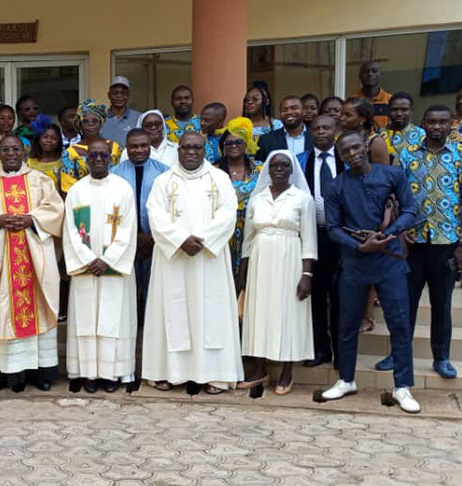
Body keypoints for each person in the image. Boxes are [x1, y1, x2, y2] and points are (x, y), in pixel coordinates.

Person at [372, 105, 462, 379]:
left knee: (442, 304)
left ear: (450, 124)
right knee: (404, 302)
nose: (437, 127)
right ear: (423, 124)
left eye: (442, 123)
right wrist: (399, 231)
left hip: (447, 244)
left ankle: (441, 357)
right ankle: (398, 353)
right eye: (431, 122)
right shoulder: (407, 156)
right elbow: (395, 197)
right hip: (412, 243)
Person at [323, 130, 419, 413]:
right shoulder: (336, 186)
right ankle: (346, 379)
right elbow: (333, 228)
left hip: (390, 261)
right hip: (355, 262)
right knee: (347, 323)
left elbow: (410, 210)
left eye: (355, 148)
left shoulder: (392, 175)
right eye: (345, 152)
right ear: (340, 155)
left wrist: (387, 235)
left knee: (399, 323)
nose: (352, 154)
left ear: (365, 146)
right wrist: (359, 246)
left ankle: (403, 386)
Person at [142, 132, 242, 393]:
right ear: (178, 150)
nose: (191, 152)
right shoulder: (163, 181)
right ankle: (167, 371)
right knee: (170, 312)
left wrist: (203, 241)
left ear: (204, 150)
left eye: (197, 148)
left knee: (211, 314)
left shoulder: (219, 179)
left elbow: (228, 213)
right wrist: (179, 240)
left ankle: (214, 374)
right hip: (172, 259)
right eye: (185, 147)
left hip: (208, 258)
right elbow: (156, 214)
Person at [0, 134, 64, 392]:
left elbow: (56, 210)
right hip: (1, 265)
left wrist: (32, 220)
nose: (10, 153)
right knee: (3, 312)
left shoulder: (41, 181)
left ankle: (41, 372)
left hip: (34, 263)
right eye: (5, 149)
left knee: (38, 312)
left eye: (15, 149)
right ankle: (2, 374)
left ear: (24, 151)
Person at [237, 151, 316, 395]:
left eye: (284, 165)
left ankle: (286, 372)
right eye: (275, 165)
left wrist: (307, 275)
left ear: (292, 169)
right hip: (260, 260)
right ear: (268, 170)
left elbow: (310, 240)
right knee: (258, 313)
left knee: (288, 313)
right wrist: (242, 275)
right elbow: (248, 240)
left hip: (289, 259)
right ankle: (260, 371)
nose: (279, 169)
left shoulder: (302, 199)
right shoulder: (257, 198)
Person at [63, 139, 138, 392]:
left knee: (113, 320)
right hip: (86, 269)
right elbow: (70, 230)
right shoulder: (77, 190)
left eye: (103, 155)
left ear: (111, 158)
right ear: (86, 160)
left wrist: (108, 260)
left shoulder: (123, 189)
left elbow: (129, 229)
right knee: (86, 320)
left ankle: (112, 374)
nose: (97, 159)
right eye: (93, 155)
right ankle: (89, 375)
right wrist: (87, 259)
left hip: (114, 268)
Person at [297, 115, 343, 368]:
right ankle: (320, 349)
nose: (322, 132)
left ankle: (341, 351)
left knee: (341, 297)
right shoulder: (301, 161)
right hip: (313, 235)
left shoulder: (346, 158)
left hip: (343, 238)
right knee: (315, 296)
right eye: (316, 128)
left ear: (335, 130)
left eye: (326, 127)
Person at [112, 129, 170, 318]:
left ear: (150, 146)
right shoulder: (114, 173)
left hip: (156, 241)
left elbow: (170, 209)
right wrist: (131, 238)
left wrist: (152, 237)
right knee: (125, 291)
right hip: (123, 242)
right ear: (126, 148)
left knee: (154, 289)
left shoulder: (164, 173)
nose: (139, 150)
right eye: (133, 146)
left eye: (143, 145)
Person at [214, 117, 264, 276]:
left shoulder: (261, 170)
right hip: (222, 231)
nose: (233, 146)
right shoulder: (212, 171)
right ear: (222, 146)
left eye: (238, 142)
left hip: (252, 230)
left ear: (247, 144)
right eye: (228, 143)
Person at [61, 99, 122, 193]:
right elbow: (68, 188)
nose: (90, 124)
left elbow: (121, 175)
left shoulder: (114, 147)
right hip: (83, 201)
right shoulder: (70, 153)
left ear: (100, 124)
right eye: (86, 122)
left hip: (112, 195)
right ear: (80, 125)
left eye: (95, 121)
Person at [256, 96, 312, 160]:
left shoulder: (315, 136)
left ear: (304, 111)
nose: (289, 112)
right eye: (284, 110)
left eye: (294, 108)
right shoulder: (266, 140)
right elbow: (260, 167)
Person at [341, 97, 389, 167]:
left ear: (362, 119)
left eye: (348, 115)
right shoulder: (341, 139)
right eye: (341, 114)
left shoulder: (375, 142)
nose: (342, 118)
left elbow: (383, 174)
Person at [381, 92, 425, 164]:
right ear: (388, 110)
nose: (399, 113)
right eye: (395, 109)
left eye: (404, 110)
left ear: (411, 110)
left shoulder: (421, 135)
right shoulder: (379, 135)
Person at [101, 76, 141, 147]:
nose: (119, 96)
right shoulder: (101, 118)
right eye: (115, 93)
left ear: (128, 95)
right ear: (109, 95)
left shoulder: (139, 118)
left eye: (123, 93)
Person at [350, 61, 392, 129]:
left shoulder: (390, 100)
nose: (370, 74)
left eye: (374, 71)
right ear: (360, 76)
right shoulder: (352, 101)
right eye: (366, 72)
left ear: (380, 75)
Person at [26, 115, 64, 186]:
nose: (49, 141)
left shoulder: (63, 161)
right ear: (39, 139)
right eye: (45, 137)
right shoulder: (28, 161)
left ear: (59, 141)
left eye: (54, 138)